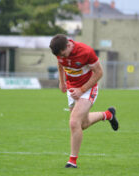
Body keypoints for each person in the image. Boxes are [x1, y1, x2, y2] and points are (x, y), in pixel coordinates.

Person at [49, 34, 119, 168]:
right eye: (60, 55)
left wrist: (82, 89)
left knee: (74, 122)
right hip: (72, 90)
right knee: (83, 124)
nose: (62, 57)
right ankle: (108, 115)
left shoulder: (86, 52)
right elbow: (60, 64)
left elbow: (99, 73)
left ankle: (72, 161)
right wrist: (62, 82)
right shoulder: (60, 52)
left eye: (64, 54)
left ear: (69, 45)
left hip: (88, 88)